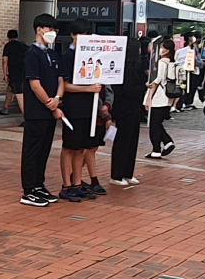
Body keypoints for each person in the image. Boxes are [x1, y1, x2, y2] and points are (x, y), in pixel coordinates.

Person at [57, 22, 106, 200]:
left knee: (81, 148)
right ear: (72, 35)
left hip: (88, 108)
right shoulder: (67, 56)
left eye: (87, 35)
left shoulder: (90, 55)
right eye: (80, 35)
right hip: (72, 107)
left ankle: (78, 183)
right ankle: (66, 185)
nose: (83, 38)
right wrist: (88, 89)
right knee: (69, 147)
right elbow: (65, 85)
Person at [19, 13, 62, 207]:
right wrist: (48, 103)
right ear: (39, 30)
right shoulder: (32, 54)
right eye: (50, 29)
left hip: (50, 110)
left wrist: (57, 99)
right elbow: (35, 84)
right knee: (32, 150)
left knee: (44, 150)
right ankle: (28, 190)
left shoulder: (52, 54)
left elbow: (60, 79)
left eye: (55, 30)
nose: (53, 33)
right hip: (37, 111)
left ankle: (38, 184)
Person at [108, 36, 147, 185]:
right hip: (125, 109)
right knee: (123, 142)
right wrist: (144, 87)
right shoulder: (125, 69)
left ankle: (127, 173)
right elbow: (128, 90)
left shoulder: (135, 68)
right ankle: (117, 174)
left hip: (133, 109)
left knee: (132, 142)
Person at [143, 37, 177, 162]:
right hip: (167, 97)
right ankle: (167, 142)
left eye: (162, 48)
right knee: (157, 123)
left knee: (153, 124)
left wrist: (148, 99)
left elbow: (155, 82)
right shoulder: (172, 62)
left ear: (167, 50)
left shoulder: (161, 63)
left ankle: (156, 149)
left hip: (158, 97)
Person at [1, 29, 25, 115]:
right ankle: (5, 108)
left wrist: (5, 74)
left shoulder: (8, 46)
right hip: (24, 72)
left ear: (8, 37)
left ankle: (26, 118)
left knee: (19, 94)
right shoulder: (23, 46)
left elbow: (5, 61)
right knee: (10, 89)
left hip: (14, 73)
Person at [176, 35, 200, 112]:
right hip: (186, 72)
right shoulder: (184, 50)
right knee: (185, 88)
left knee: (187, 88)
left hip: (189, 72)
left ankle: (185, 103)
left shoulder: (193, 50)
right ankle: (183, 103)